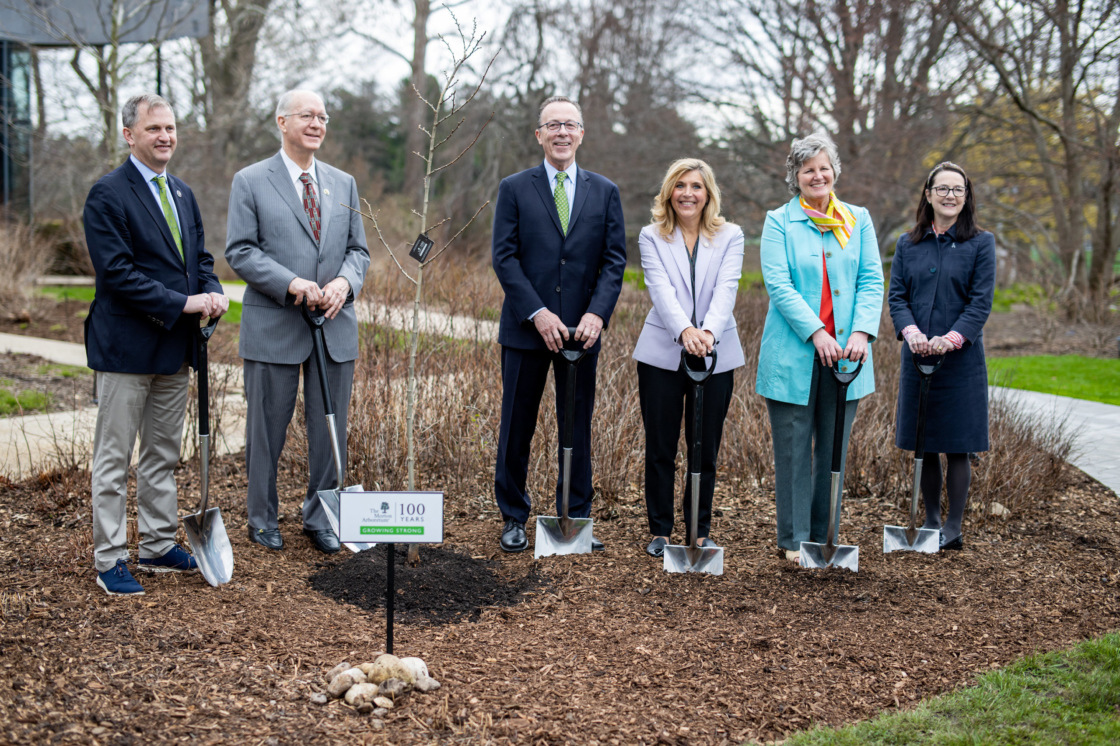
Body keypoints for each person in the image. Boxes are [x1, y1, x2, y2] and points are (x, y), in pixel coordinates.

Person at [84, 94, 228, 596]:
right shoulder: (108, 195)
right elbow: (118, 274)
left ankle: (159, 544)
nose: (165, 136)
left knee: (162, 454)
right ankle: (109, 559)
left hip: (174, 348)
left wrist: (211, 290)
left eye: (170, 128)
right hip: (125, 349)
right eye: (154, 129)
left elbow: (200, 259)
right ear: (129, 135)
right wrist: (183, 303)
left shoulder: (183, 194)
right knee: (114, 457)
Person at [225, 89, 370, 554]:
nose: (317, 123)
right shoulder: (250, 180)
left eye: (323, 116)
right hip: (275, 325)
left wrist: (345, 284)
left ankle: (322, 515)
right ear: (282, 121)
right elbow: (240, 250)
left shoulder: (343, 183)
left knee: (330, 430)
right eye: (307, 115)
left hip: (334, 324)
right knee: (266, 431)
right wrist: (293, 283)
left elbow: (358, 250)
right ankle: (262, 517)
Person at [491, 95, 627, 553]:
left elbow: (614, 262)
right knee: (517, 426)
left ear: (582, 134)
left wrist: (596, 314)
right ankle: (513, 516)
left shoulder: (605, 191)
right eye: (553, 125)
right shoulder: (514, 188)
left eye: (570, 125)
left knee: (577, 428)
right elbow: (504, 257)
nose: (562, 133)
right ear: (539, 135)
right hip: (527, 330)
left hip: (582, 334)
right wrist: (537, 312)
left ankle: (575, 519)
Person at [756, 131, 885, 564]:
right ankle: (793, 542)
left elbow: (871, 278)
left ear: (834, 172)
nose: (817, 176)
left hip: (849, 354)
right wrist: (817, 333)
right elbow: (778, 284)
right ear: (795, 175)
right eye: (808, 169)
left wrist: (862, 333)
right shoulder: (779, 221)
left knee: (833, 449)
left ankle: (824, 535)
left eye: (824, 168)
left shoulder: (856, 218)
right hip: (795, 353)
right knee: (793, 448)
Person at [633, 159, 745, 558]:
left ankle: (699, 531)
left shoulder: (731, 235)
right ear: (668, 193)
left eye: (696, 186)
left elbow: (727, 289)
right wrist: (685, 332)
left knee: (705, 446)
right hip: (663, 352)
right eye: (679, 186)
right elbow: (659, 290)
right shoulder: (652, 236)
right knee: (661, 445)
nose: (687, 193)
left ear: (708, 194)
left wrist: (708, 334)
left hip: (716, 354)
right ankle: (660, 529)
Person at [888, 162, 996, 551]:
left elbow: (981, 302)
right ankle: (930, 520)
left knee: (957, 443)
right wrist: (912, 332)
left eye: (958, 190)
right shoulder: (908, 243)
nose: (950, 196)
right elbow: (897, 296)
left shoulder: (981, 243)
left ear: (966, 197)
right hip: (918, 356)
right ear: (928, 193)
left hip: (960, 360)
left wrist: (952, 338)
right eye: (943, 188)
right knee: (925, 441)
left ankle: (953, 526)